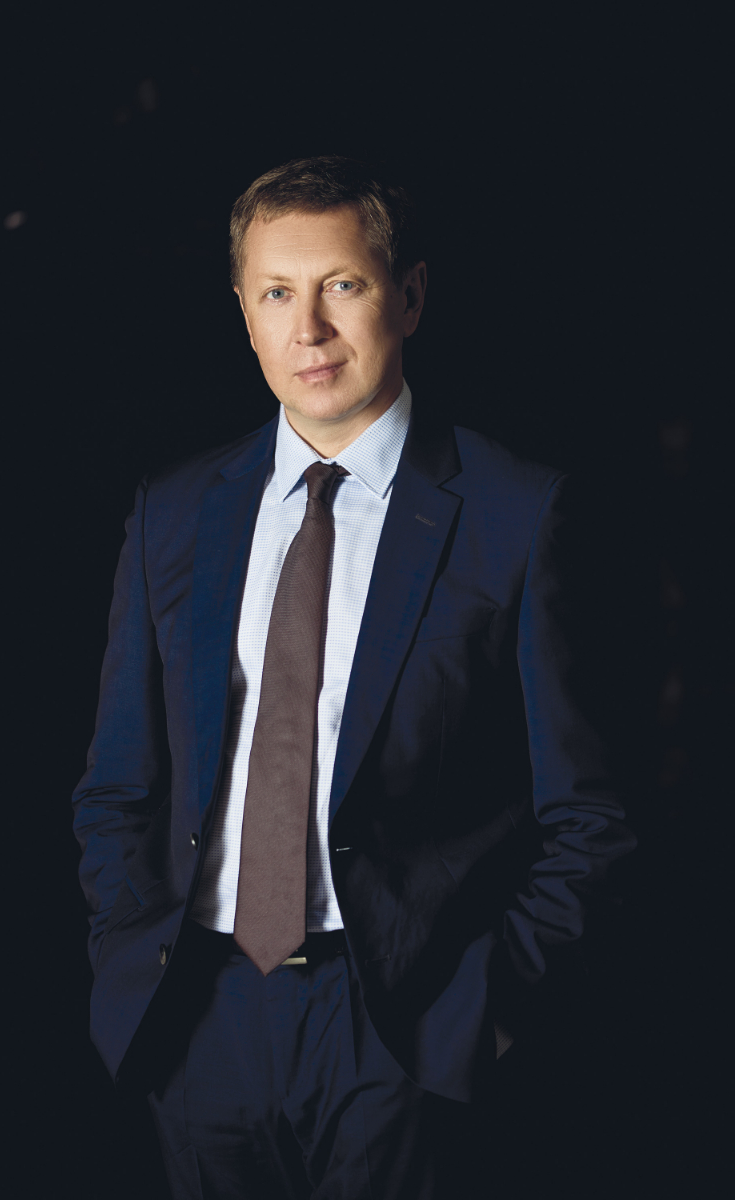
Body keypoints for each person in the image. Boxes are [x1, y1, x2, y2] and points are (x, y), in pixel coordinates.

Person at [73, 155, 636, 1199]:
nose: (310, 330)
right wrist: (126, 946)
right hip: (198, 1019)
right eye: (276, 294)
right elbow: (117, 783)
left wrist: (483, 1009)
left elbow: (590, 815)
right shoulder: (174, 511)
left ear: (408, 296)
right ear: (243, 313)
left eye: (343, 285)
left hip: (401, 1026)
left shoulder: (518, 514)